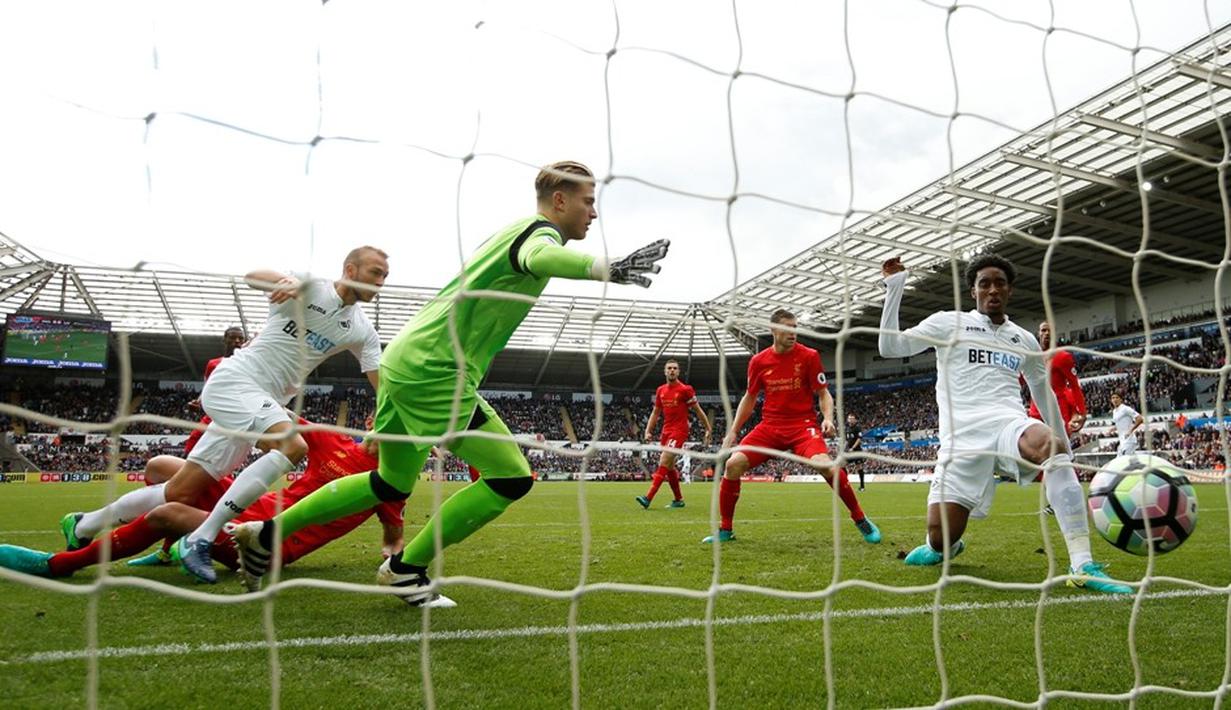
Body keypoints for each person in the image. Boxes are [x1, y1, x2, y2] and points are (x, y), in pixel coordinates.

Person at [229, 160, 670, 606]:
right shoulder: (540, 234)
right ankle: (405, 571)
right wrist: (603, 267)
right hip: (435, 370)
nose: (593, 213)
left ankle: (266, 534)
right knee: (511, 478)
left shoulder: (510, 232)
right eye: (588, 201)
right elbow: (540, 256)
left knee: (389, 484)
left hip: (405, 360)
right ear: (560, 201)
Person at [60, 249, 387, 585]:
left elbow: (383, 386)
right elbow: (253, 276)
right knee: (293, 446)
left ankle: (84, 523)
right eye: (375, 273)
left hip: (260, 401)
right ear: (350, 269)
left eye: (384, 276)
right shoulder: (311, 286)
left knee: (180, 492)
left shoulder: (361, 329)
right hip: (236, 382)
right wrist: (284, 281)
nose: (380, 282)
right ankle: (201, 539)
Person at [877, 253, 1130, 594]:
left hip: (1007, 424)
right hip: (960, 439)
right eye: (985, 284)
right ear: (973, 291)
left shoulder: (1023, 339)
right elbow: (889, 347)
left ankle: (1082, 565)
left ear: (1009, 290)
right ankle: (945, 548)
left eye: (999, 283)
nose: (992, 290)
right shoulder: (947, 323)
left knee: (1050, 445)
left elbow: (1043, 393)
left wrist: (1065, 452)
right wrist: (895, 287)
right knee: (940, 537)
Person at [2, 423, 402, 583]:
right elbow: (283, 424)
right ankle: (169, 551)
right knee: (162, 466)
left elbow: (393, 533)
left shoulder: (391, 480)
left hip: (267, 541)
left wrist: (393, 556)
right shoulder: (332, 440)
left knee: (166, 513)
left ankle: (59, 565)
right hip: (251, 506)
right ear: (371, 419)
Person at [706, 309, 880, 544]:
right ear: (774, 330)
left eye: (795, 327)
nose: (793, 332)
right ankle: (725, 530)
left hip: (802, 426)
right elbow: (749, 398)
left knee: (826, 466)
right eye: (788, 328)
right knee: (732, 465)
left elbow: (823, 393)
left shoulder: (809, 356)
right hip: (770, 426)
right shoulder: (758, 362)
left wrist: (827, 417)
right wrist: (733, 431)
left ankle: (860, 519)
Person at [637, 359, 712, 509]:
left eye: (675, 368)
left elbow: (698, 410)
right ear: (665, 371)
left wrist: (708, 428)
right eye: (669, 368)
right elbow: (656, 412)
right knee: (669, 466)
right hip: (666, 431)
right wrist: (648, 430)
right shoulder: (661, 391)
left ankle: (648, 497)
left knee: (664, 460)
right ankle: (678, 499)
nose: (672, 370)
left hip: (679, 431)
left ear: (678, 372)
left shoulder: (685, 390)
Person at [845, 412, 865, 491]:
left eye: (852, 418)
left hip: (856, 451)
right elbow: (847, 440)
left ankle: (862, 486)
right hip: (849, 451)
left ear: (855, 419)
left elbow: (859, 439)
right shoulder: (847, 428)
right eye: (849, 418)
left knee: (859, 467)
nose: (850, 420)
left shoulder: (858, 428)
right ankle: (846, 484)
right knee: (842, 464)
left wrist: (853, 448)